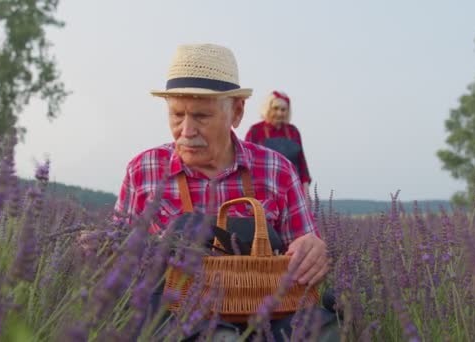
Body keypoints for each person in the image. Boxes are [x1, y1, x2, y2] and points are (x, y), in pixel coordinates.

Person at [113, 43, 334, 341]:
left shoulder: (277, 169)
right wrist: (99, 250)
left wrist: (314, 250)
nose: (186, 131)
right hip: (175, 318)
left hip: (269, 314)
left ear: (237, 112)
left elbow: (305, 244)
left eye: (201, 117)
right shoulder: (144, 170)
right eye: (177, 115)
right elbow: (116, 255)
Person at [245, 91, 313, 199]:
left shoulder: (293, 131)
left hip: (292, 189)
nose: (280, 113)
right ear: (268, 108)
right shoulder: (256, 131)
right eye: (276, 108)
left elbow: (302, 164)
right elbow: (246, 163)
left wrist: (306, 192)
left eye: (283, 109)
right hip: (265, 191)